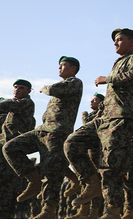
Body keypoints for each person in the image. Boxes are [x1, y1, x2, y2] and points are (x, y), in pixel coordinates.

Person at [64, 29, 133, 219]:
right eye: (115, 41)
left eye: (119, 40)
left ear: (131, 42)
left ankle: (113, 212)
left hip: (120, 120)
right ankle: (92, 182)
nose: (115, 43)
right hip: (104, 120)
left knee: (109, 168)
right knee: (72, 143)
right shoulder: (117, 63)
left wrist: (106, 79)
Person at [4, 57, 82, 219]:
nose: (59, 68)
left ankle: (49, 210)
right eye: (59, 66)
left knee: (52, 171)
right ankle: (32, 179)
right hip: (43, 129)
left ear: (73, 68)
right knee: (10, 148)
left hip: (57, 132)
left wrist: (44, 88)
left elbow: (51, 89)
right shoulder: (63, 86)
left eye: (63, 66)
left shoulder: (75, 82)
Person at [0, 79, 36, 219]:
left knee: (4, 184)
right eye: (15, 87)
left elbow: (6, 104)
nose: (17, 90)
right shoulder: (12, 110)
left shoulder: (25, 103)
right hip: (4, 148)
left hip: (12, 150)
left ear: (28, 91)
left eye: (21, 88)